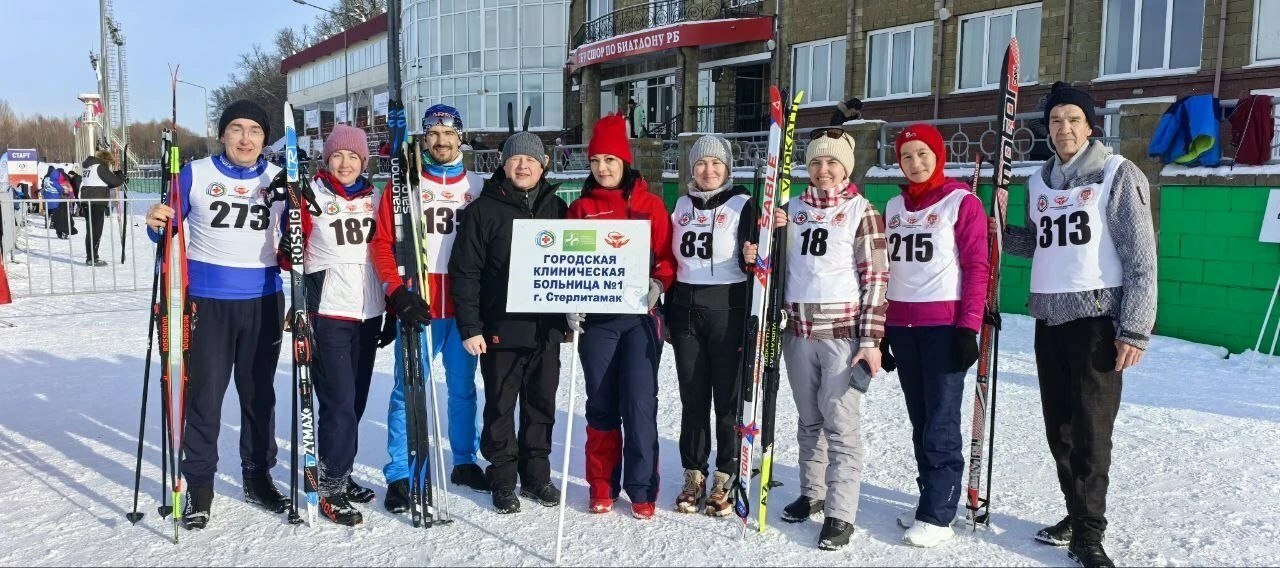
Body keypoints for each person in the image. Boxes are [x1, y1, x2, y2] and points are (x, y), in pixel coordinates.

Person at [998, 83, 1156, 568]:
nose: (1063, 129)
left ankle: (1089, 532)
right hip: (1050, 321)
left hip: (1097, 323)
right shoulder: (1037, 182)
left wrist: (1134, 328)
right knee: (1059, 430)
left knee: (1091, 433)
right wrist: (1000, 231)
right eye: (1055, 121)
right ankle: (1075, 510)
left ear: (1090, 126)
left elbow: (1141, 257)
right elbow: (1042, 244)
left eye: (1073, 120)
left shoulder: (1116, 174)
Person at [143, 100, 290, 530]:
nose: (246, 139)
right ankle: (200, 487)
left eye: (255, 131)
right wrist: (155, 222)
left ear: (265, 137)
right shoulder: (196, 174)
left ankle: (258, 476)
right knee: (205, 397)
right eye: (237, 129)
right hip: (207, 302)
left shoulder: (278, 178)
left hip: (263, 300)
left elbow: (295, 238)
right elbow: (164, 227)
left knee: (259, 395)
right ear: (223, 134)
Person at [744, 128, 888, 550]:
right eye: (816, 163)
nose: (823, 171)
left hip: (842, 334)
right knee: (809, 420)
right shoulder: (789, 209)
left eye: (832, 163)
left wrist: (871, 339)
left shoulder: (862, 211)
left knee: (840, 425)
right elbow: (773, 271)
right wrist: (764, 244)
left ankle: (841, 512)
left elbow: (876, 278)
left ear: (846, 167)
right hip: (797, 332)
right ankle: (813, 492)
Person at [369, 104, 488, 515]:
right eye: (432, 134)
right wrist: (395, 291)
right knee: (408, 389)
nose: (440, 140)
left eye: (448, 133)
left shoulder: (479, 184)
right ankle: (400, 471)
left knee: (463, 387)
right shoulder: (405, 186)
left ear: (460, 137)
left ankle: (464, 460)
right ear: (423, 139)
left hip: (463, 303)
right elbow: (381, 243)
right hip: (417, 301)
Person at [449, 131, 568, 514]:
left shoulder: (557, 208)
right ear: (503, 164)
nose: (523, 166)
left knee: (541, 404)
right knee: (500, 404)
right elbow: (465, 271)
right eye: (515, 159)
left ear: (543, 165)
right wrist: (471, 326)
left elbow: (573, 266)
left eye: (530, 160)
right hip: (500, 327)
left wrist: (575, 310)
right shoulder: (484, 210)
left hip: (545, 329)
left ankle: (536, 476)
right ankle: (502, 478)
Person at [883, 123, 990, 547]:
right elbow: (886, 271)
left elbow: (978, 267)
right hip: (903, 329)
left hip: (943, 328)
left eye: (923, 154)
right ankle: (930, 497)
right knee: (920, 420)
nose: (915, 163)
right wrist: (882, 331)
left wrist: (969, 327)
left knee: (941, 422)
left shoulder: (961, 202)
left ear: (938, 155)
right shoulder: (892, 207)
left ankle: (940, 514)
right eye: (907, 156)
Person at [566, 113, 675, 520]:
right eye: (596, 161)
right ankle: (601, 483)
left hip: (640, 320)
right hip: (598, 321)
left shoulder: (649, 205)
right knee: (602, 402)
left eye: (610, 160)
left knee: (640, 404)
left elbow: (667, 259)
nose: (603, 168)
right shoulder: (580, 209)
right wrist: (569, 301)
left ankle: (642, 488)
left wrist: (659, 284)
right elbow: (564, 263)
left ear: (625, 162)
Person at [285, 124, 391, 526]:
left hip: (368, 313)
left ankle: (340, 474)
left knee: (357, 402)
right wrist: (286, 244)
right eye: (337, 156)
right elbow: (289, 256)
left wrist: (390, 309)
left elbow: (385, 249)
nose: (345, 163)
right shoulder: (310, 196)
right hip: (328, 312)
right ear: (326, 159)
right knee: (339, 403)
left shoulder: (374, 197)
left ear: (364, 161)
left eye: (353, 157)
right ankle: (328, 486)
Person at [667, 135, 757, 517]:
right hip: (686, 308)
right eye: (701, 164)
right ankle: (694, 473)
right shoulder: (681, 204)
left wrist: (755, 255)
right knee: (692, 397)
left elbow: (765, 254)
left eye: (716, 164)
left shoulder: (743, 204)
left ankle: (726, 473)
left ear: (727, 168)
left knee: (727, 398)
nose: (708, 171)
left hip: (728, 307)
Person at [80, 150, 127, 266]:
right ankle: (93, 258)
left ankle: (91, 256)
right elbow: (114, 181)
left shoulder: (88, 166)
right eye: (109, 163)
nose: (109, 165)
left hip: (87, 200)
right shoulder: (100, 167)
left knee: (90, 231)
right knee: (96, 231)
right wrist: (120, 175)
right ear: (106, 160)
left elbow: (104, 182)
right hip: (97, 202)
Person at [41, 168, 76, 239]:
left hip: (48, 199)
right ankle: (60, 229)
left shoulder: (47, 179)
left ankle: (50, 224)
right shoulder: (60, 181)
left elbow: (43, 188)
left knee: (50, 213)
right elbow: (64, 190)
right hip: (57, 201)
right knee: (61, 217)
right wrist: (67, 193)